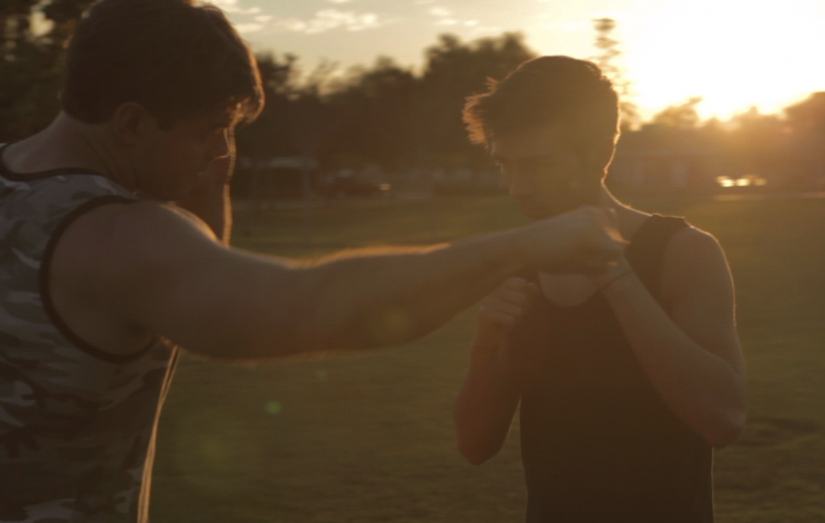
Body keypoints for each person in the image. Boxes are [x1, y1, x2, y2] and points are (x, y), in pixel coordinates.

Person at [0, 3, 626, 521]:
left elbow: (197, 284)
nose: (221, 151)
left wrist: (202, 177)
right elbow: (306, 307)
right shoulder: (118, 235)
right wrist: (526, 244)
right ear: (131, 123)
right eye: (210, 128)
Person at [453, 56, 747, 522]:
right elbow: (475, 445)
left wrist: (616, 277)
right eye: (504, 164)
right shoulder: (521, 266)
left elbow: (723, 419)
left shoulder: (682, 252)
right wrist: (484, 348)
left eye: (538, 164)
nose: (516, 188)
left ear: (600, 153)